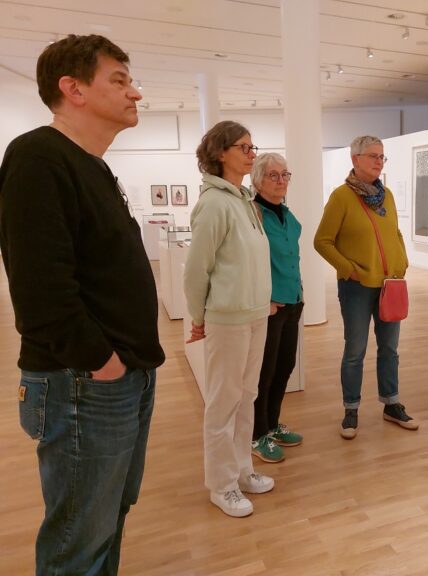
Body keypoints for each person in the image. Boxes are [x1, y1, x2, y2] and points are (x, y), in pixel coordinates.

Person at [0, 35, 165, 575]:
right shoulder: (37, 156)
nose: (134, 92)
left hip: (117, 376)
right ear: (72, 88)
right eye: (118, 80)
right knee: (79, 537)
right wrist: (103, 361)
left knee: (106, 518)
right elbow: (42, 291)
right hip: (84, 381)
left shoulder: (92, 165)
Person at [184, 120, 274, 518]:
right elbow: (196, 269)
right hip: (228, 318)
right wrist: (199, 316)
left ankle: (241, 470)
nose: (252, 154)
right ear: (221, 152)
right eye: (245, 147)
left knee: (246, 396)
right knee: (222, 402)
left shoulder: (244, 199)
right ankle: (221, 485)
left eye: (253, 147)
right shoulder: (214, 203)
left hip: (255, 315)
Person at [314, 135, 418, 439]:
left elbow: (395, 232)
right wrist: (349, 270)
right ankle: (351, 409)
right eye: (372, 155)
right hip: (357, 288)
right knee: (355, 350)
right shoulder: (341, 197)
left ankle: (391, 403)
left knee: (390, 349)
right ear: (354, 159)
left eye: (382, 156)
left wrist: (402, 260)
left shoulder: (386, 196)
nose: (378, 161)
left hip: (390, 285)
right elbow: (322, 241)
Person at [250, 153, 304, 463]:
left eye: (285, 174)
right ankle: (256, 435)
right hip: (269, 308)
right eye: (273, 175)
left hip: (293, 302)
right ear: (257, 180)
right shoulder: (253, 214)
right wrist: (263, 300)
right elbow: (246, 263)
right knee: (264, 374)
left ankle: (271, 425)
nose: (281, 180)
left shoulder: (286, 213)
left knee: (284, 368)